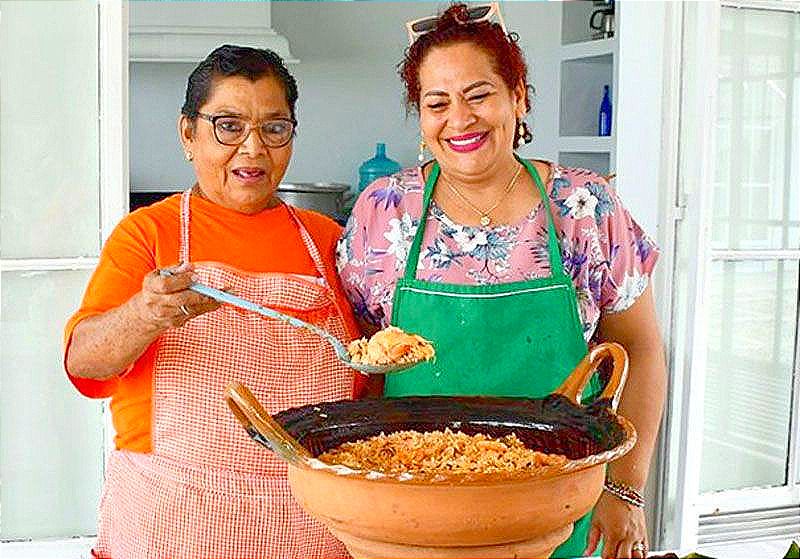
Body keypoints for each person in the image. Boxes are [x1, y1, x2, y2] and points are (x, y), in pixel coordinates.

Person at [336, 4, 666, 558]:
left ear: (519, 96)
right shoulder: (385, 211)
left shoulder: (585, 207)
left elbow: (641, 348)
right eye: (436, 103)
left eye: (479, 94)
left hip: (560, 505)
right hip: (414, 510)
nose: (458, 119)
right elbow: (363, 363)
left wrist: (624, 487)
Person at [64, 45, 364, 559]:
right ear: (188, 133)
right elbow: (85, 363)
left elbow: (367, 378)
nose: (252, 149)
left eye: (274, 128)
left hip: (308, 523)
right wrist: (145, 313)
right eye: (228, 125)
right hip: (173, 521)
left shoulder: (331, 242)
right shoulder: (147, 234)